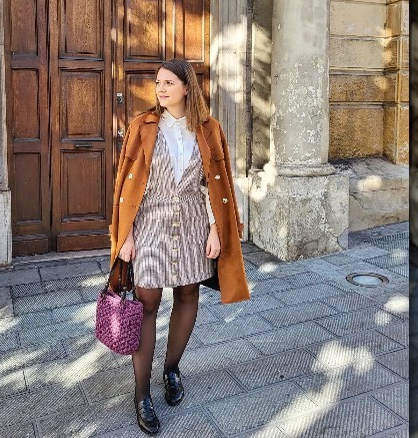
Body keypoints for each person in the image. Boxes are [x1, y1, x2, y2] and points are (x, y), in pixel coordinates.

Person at [109, 58, 250, 435]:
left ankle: (171, 370)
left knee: (188, 293)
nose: (161, 88)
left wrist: (216, 230)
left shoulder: (209, 128)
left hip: (192, 223)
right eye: (158, 82)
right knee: (146, 304)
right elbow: (125, 184)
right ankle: (142, 394)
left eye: (169, 82)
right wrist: (125, 235)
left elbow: (214, 184)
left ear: (188, 87)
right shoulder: (142, 125)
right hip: (150, 223)